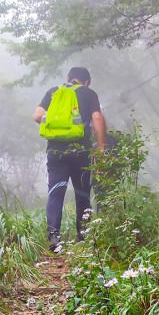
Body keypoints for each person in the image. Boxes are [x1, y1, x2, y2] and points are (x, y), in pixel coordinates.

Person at [33, 67, 106, 251]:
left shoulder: (53, 92)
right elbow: (97, 118)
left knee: (55, 193)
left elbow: (37, 116)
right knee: (82, 194)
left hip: (55, 151)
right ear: (87, 82)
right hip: (81, 152)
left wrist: (56, 122)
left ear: (68, 78)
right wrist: (101, 147)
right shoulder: (89, 93)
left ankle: (54, 238)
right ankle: (83, 237)